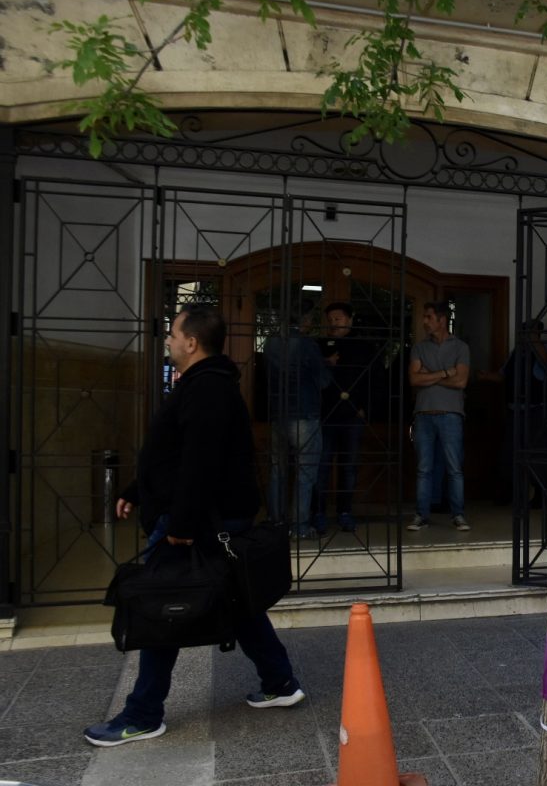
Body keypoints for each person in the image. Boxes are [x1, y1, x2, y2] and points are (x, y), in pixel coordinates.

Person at [85, 304, 304, 747]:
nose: (167, 339)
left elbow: (198, 465)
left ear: (192, 341)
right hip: (201, 514)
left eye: (172, 332)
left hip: (198, 519)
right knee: (238, 598)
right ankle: (280, 682)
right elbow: (173, 453)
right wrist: (136, 487)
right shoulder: (206, 385)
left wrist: (180, 523)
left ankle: (143, 714)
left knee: (160, 607)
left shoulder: (208, 390)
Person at [264, 306, 331, 540]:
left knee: (277, 469)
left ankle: (276, 521)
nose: (311, 323)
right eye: (311, 318)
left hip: (278, 413)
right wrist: (327, 364)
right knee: (305, 471)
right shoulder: (307, 344)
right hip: (304, 413)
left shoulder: (270, 344)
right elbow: (323, 380)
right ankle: (300, 526)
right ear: (303, 319)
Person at [477, 319, 547, 506]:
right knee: (511, 453)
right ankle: (512, 494)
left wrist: (534, 340)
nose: (524, 335)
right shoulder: (517, 353)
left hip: (537, 411)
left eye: (528, 332)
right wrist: (485, 376)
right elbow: (502, 375)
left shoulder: (545, 350)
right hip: (516, 411)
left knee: (537, 453)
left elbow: (545, 363)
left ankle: (539, 495)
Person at [407, 300, 470, 531]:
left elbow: (461, 381)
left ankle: (458, 515)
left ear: (442, 320)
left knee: (454, 467)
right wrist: (446, 372)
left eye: (428, 317)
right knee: (424, 468)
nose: (424, 322)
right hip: (423, 414)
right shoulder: (419, 348)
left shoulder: (460, 347)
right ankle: (421, 515)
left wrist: (429, 375)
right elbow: (414, 379)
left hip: (451, 415)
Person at [314, 301, 375, 533]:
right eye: (330, 319)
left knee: (348, 466)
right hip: (325, 415)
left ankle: (345, 511)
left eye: (338, 318)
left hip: (352, 415)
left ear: (349, 319)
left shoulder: (364, 347)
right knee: (322, 465)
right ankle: (318, 512)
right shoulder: (320, 345)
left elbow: (374, 379)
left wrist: (365, 407)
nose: (333, 323)